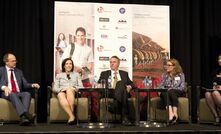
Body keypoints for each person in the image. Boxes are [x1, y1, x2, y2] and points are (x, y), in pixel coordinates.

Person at [0, 53, 40, 126]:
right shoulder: (1, 70)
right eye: (13, 61)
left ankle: (24, 119)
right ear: (6, 62)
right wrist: (4, 87)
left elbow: (25, 85)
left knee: (27, 94)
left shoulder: (19, 71)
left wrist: (32, 85)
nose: (15, 62)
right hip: (6, 93)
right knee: (12, 94)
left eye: (15, 61)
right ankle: (27, 115)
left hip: (18, 93)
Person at [97, 56, 135, 125]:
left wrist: (129, 86)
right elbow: (99, 82)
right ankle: (124, 117)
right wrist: (99, 84)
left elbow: (131, 83)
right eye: (110, 62)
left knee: (120, 84)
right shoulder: (104, 73)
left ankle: (114, 106)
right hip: (109, 92)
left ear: (118, 63)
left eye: (114, 62)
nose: (112, 64)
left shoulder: (124, 73)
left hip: (122, 92)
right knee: (122, 86)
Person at [53, 58, 83, 125]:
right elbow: (54, 88)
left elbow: (81, 86)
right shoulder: (59, 75)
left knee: (69, 90)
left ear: (72, 65)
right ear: (64, 66)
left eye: (70, 64)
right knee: (60, 94)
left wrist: (74, 88)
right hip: (62, 91)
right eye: (67, 64)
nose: (69, 65)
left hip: (73, 92)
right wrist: (61, 90)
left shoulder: (76, 75)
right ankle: (72, 116)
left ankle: (71, 117)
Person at [159, 58, 185, 125]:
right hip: (166, 92)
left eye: (169, 65)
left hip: (177, 91)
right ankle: (171, 114)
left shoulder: (180, 75)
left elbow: (182, 87)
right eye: (166, 65)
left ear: (174, 66)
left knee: (171, 91)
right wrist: (167, 89)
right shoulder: (164, 75)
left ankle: (175, 113)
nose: (166, 66)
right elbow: (161, 86)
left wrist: (171, 88)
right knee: (165, 92)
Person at [205, 54, 221, 125]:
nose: (219, 60)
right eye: (218, 59)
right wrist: (213, 86)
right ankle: (216, 117)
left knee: (215, 93)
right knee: (207, 94)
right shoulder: (216, 71)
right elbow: (209, 82)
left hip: (217, 92)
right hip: (216, 91)